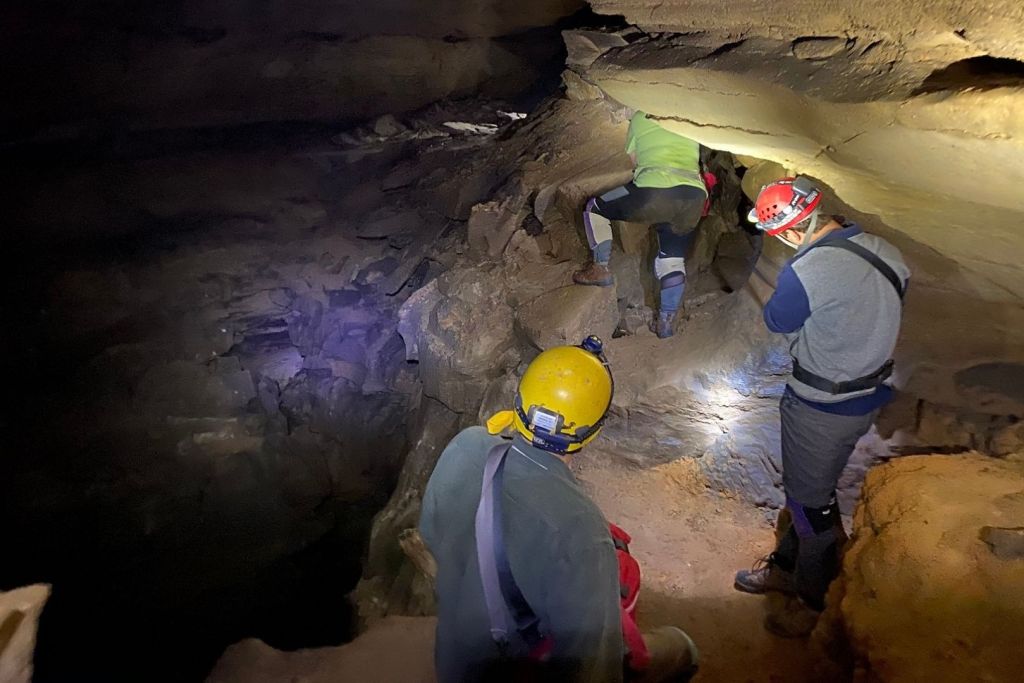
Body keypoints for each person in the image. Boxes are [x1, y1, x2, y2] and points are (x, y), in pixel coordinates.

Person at [420, 337, 699, 682]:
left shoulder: (467, 445)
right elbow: (591, 667)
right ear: (591, 432)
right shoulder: (581, 532)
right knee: (681, 648)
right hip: (511, 671)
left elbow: (431, 535)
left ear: (521, 402)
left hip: (453, 659)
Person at [734, 177, 910, 636]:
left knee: (811, 508)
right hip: (866, 395)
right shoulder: (886, 250)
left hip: (821, 405)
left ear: (793, 231)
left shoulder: (807, 269)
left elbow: (778, 319)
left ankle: (813, 603)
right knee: (812, 487)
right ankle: (785, 566)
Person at [573, 111, 715, 339]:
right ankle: (665, 322)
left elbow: (634, 160)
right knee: (671, 259)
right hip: (693, 198)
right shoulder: (689, 117)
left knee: (594, 208)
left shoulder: (640, 117)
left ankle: (599, 268)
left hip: (654, 190)